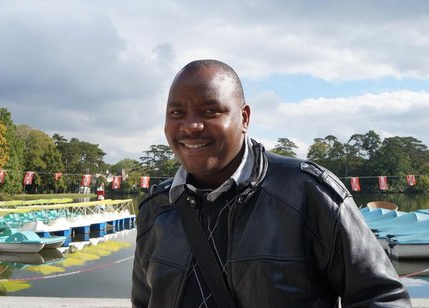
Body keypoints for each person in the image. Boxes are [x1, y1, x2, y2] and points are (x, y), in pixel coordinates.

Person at [132, 59, 411, 307]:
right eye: (177, 114)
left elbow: (382, 297)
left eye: (210, 111)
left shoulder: (308, 193)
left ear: (243, 118)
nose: (191, 126)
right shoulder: (157, 207)